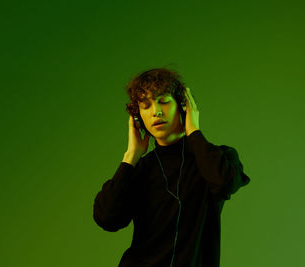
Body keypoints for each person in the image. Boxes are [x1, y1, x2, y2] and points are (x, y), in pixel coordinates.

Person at [93, 68, 250, 267]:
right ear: (138, 117)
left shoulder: (215, 159)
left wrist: (193, 131)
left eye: (164, 101)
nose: (156, 112)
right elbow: (106, 218)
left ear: (183, 106)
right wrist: (131, 156)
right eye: (146, 105)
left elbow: (225, 183)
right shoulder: (139, 170)